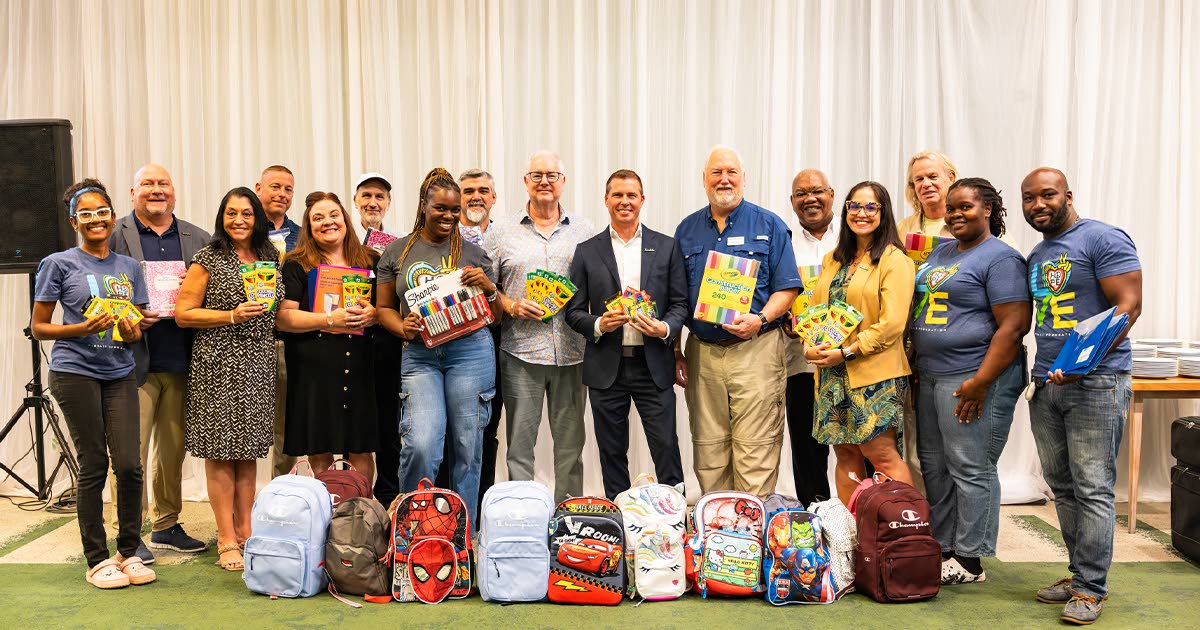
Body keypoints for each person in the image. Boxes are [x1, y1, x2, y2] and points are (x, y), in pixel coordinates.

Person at [1021, 167, 1141, 625]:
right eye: (1029, 198)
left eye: (1047, 195)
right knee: (1064, 486)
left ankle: (1091, 590)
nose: (1038, 205)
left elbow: (1128, 307)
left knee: (1092, 486)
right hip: (1048, 384)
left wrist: (1083, 364)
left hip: (1097, 382)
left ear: (1068, 195)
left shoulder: (1104, 239)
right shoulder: (1038, 253)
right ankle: (1078, 575)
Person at [32, 179, 155, 589]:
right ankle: (97, 558)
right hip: (74, 372)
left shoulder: (129, 268)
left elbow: (136, 332)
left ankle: (129, 551)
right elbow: (39, 327)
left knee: (129, 465)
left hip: (119, 371)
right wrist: (83, 327)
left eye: (102, 211)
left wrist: (130, 327)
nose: (96, 219)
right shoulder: (58, 263)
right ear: (75, 222)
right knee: (94, 463)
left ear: (111, 214)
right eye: (86, 214)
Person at [910, 177, 1031, 585]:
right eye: (952, 207)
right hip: (930, 374)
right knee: (934, 464)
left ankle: (971, 558)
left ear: (989, 210)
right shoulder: (942, 251)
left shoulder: (1001, 258)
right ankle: (943, 545)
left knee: (970, 466)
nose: (956, 213)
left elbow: (1014, 326)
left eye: (966, 206)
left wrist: (981, 381)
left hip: (974, 377)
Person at [674, 146, 801, 495]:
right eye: (716, 172)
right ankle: (718, 530)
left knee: (756, 444)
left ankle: (751, 529)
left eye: (731, 172)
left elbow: (787, 288)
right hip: (702, 352)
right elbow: (675, 298)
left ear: (744, 178)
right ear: (704, 180)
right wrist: (675, 351)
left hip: (756, 349)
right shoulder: (686, 230)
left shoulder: (769, 225)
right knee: (708, 444)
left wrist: (759, 319)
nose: (724, 179)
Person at [377, 168, 499, 518]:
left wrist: (489, 287)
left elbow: (496, 316)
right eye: (440, 209)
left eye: (454, 210)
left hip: (470, 353)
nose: (448, 216)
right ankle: (415, 527)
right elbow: (384, 308)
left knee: (467, 445)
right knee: (421, 444)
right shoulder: (398, 252)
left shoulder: (473, 253)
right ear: (423, 206)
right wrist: (403, 327)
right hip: (420, 355)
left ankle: (463, 535)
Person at [104, 164, 209, 561]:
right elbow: (96, 285)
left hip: (183, 360)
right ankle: (128, 532)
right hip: (132, 361)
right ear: (132, 194)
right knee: (129, 453)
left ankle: (166, 524)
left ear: (174, 193)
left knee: (173, 450)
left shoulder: (197, 238)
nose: (156, 190)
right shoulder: (114, 235)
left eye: (163, 184)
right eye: (147, 184)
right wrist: (128, 313)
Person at [176, 187, 283, 571]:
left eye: (247, 214)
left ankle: (246, 528)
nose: (239, 220)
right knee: (221, 450)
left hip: (257, 360)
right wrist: (231, 315)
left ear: (258, 218)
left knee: (248, 451)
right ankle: (225, 536)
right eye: (231, 213)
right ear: (222, 216)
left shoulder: (271, 256)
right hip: (218, 361)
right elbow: (184, 314)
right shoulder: (208, 258)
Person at [565, 169, 688, 500]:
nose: (624, 201)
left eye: (631, 195)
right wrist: (598, 325)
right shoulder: (587, 251)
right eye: (617, 195)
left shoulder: (666, 247)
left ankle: (676, 520)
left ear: (642, 200)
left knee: (666, 448)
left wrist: (665, 328)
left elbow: (679, 304)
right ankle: (620, 522)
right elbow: (572, 312)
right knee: (611, 453)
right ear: (606, 200)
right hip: (607, 367)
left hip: (653, 366)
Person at [484, 151, 594, 502]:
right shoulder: (500, 231)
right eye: (536, 175)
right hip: (521, 354)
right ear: (525, 182)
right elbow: (486, 287)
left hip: (573, 353)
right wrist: (511, 305)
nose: (544, 181)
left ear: (563, 182)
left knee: (570, 448)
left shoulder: (585, 230)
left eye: (551, 175)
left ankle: (569, 519)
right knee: (519, 445)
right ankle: (522, 516)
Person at [807, 181, 915, 503]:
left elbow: (892, 324)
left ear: (884, 212)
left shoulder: (895, 261)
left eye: (871, 207)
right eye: (854, 206)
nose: (861, 213)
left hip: (875, 374)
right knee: (845, 454)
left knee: (881, 455)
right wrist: (810, 345)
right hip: (831, 374)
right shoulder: (833, 260)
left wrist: (847, 352)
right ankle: (853, 538)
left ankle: (902, 532)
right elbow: (817, 311)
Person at [277, 192, 379, 479]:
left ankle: (360, 516)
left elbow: (383, 310)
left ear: (345, 219)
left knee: (360, 447)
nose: (328, 222)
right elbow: (284, 318)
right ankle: (326, 512)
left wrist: (373, 315)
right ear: (309, 227)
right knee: (319, 447)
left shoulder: (370, 260)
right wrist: (330, 318)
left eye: (333, 214)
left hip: (361, 365)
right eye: (318, 218)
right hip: (314, 367)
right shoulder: (296, 263)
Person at [783, 169, 838, 504]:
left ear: (831, 194)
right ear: (792, 202)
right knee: (807, 447)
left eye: (817, 191)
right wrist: (783, 318)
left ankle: (859, 521)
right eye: (801, 194)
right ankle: (814, 518)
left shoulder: (854, 236)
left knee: (856, 447)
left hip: (849, 361)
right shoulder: (783, 242)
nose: (810, 199)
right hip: (799, 363)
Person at [352, 172, 404, 506]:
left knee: (389, 426)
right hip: (346, 343)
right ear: (356, 200)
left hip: (386, 345)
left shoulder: (398, 245)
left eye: (380, 197)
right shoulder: (339, 238)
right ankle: (348, 496)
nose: (373, 203)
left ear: (388, 204)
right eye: (367, 196)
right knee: (350, 426)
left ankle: (387, 496)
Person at [255, 165, 299, 479]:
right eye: (275, 187)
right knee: (243, 423)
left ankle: (279, 490)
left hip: (287, 339)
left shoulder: (302, 235)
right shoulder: (240, 229)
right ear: (259, 188)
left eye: (287, 189)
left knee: (286, 426)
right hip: (246, 338)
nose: (281, 194)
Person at [897, 151, 957, 238]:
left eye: (932, 177)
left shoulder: (967, 225)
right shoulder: (901, 229)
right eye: (919, 179)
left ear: (950, 178)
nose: (926, 184)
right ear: (913, 185)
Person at [458, 168, 498, 246]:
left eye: (483, 191)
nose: (476, 197)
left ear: (494, 198)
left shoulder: (503, 238)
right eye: (469, 192)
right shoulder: (444, 237)